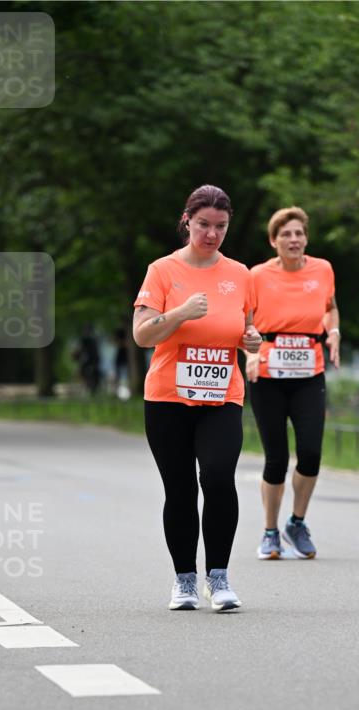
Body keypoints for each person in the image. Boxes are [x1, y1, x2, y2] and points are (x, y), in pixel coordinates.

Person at [133, 184, 261, 611]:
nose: (212, 234)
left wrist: (252, 340)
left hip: (223, 395)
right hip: (168, 397)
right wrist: (180, 313)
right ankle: (184, 580)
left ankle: (219, 578)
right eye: (204, 224)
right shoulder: (162, 270)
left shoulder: (241, 274)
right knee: (181, 489)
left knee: (220, 478)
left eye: (221, 226)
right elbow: (142, 334)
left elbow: (244, 329)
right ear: (187, 220)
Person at [246, 207, 340, 559]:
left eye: (299, 233)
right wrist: (250, 353)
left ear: (306, 238)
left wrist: (333, 332)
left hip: (309, 374)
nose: (294, 239)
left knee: (312, 454)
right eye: (286, 234)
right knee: (276, 457)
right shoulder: (257, 276)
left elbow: (330, 307)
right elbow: (244, 321)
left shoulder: (323, 269)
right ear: (274, 241)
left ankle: (296, 523)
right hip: (268, 376)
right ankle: (270, 531)